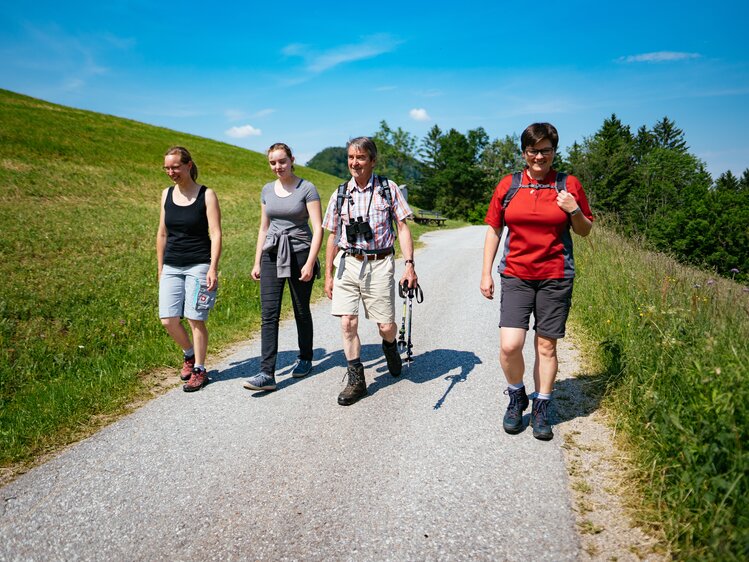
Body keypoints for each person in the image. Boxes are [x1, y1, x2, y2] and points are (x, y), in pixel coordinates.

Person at [480, 123, 593, 440]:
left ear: (554, 151)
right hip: (516, 275)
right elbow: (494, 230)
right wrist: (486, 271)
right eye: (533, 150)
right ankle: (517, 396)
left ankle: (542, 405)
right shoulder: (509, 185)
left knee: (546, 346)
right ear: (524, 153)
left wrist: (573, 210)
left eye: (545, 150)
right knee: (510, 344)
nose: (539, 156)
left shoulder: (568, 185)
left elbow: (585, 230)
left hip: (555, 277)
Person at [322, 137, 418, 406]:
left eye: (361, 157)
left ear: (372, 161)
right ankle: (356, 380)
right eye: (351, 158)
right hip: (348, 262)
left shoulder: (388, 189)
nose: (355, 163)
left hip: (379, 263)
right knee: (347, 322)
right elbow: (332, 235)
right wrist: (328, 273)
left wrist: (409, 265)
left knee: (385, 326)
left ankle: (390, 346)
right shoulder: (340, 193)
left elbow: (403, 227)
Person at [243, 143, 323, 391]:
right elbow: (263, 228)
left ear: (292, 160)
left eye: (282, 161)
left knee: (301, 310)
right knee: (269, 314)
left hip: (300, 253)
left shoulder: (307, 188)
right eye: (273, 162)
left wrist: (310, 262)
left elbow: (318, 228)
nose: (277, 167)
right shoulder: (267, 190)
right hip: (272, 254)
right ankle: (267, 374)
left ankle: (306, 357)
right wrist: (257, 261)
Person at [157, 146, 222, 392]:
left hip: (198, 263)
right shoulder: (166, 195)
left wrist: (212, 267)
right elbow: (162, 233)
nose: (171, 172)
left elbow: (215, 234)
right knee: (168, 320)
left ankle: (200, 370)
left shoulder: (207, 195)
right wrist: (160, 267)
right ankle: (189, 354)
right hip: (172, 264)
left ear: (189, 165)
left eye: (175, 167)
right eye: (167, 168)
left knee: (195, 318)